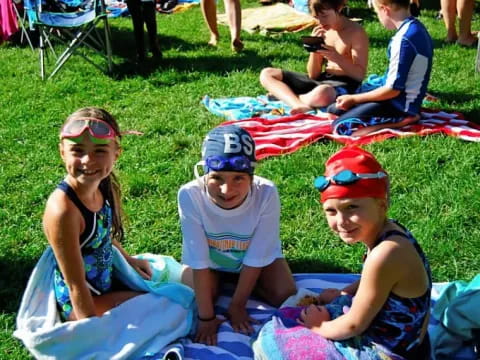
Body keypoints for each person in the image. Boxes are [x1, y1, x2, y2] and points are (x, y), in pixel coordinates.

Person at [253, 146, 432, 359]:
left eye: (352, 207)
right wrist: (344, 294)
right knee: (295, 314)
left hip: (389, 352)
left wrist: (318, 327)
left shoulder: (386, 254)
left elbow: (354, 325)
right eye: (331, 211)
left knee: (275, 340)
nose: (341, 222)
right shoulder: (392, 232)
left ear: (381, 205)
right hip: (408, 341)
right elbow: (375, 280)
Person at [178, 125, 297, 346]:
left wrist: (238, 304)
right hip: (211, 263)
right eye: (217, 178)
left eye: (238, 179)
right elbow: (199, 260)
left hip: (253, 261)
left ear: (251, 178)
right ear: (204, 173)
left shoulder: (266, 193)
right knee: (192, 296)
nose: (226, 189)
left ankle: (236, 286)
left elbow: (257, 254)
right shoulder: (189, 195)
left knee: (285, 294)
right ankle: (222, 282)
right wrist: (206, 317)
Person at [44, 107, 156, 321]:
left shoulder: (99, 186)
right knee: (166, 308)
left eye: (100, 151)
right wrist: (94, 334)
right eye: (77, 150)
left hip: (103, 287)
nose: (87, 160)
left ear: (116, 154)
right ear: (62, 152)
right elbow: (75, 284)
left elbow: (103, 233)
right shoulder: (64, 211)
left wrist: (128, 260)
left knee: (173, 299)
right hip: (81, 304)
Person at [328, 0, 433, 137]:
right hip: (405, 99)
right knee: (333, 110)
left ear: (385, 10)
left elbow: (393, 90)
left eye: (377, 12)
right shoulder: (417, 28)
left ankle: (400, 122)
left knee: (342, 128)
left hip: (400, 105)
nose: (378, 17)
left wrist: (354, 99)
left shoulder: (403, 40)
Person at [259, 0, 368, 115]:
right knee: (267, 73)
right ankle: (299, 104)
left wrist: (337, 57)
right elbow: (313, 75)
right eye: (316, 17)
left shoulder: (356, 32)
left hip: (343, 83)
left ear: (339, 8)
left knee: (324, 92)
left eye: (324, 16)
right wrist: (314, 49)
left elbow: (359, 75)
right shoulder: (322, 30)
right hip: (321, 80)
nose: (320, 21)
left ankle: (288, 97)